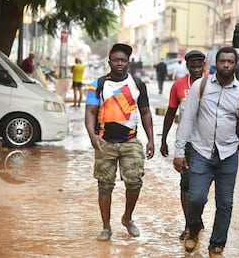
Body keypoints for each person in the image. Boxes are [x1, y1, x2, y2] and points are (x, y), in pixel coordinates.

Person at [173, 46, 239, 257]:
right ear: (216, 64)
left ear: (236, 65)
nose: (226, 65)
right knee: (195, 198)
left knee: (225, 203)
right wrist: (179, 151)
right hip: (200, 151)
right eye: (222, 61)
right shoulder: (200, 87)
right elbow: (187, 120)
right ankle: (194, 228)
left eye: (230, 61)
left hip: (228, 155)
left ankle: (217, 244)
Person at [84, 43, 154, 241]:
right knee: (104, 185)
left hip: (131, 141)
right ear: (109, 62)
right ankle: (106, 227)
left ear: (128, 62)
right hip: (104, 141)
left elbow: (146, 112)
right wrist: (92, 136)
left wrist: (150, 139)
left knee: (134, 182)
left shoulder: (138, 84)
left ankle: (127, 217)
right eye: (116, 60)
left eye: (123, 60)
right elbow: (89, 112)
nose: (120, 63)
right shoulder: (97, 85)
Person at [160, 50, 206, 241]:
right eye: (192, 66)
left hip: (208, 143)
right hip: (186, 143)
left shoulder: (213, 83)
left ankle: (197, 219)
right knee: (186, 185)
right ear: (187, 66)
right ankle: (189, 224)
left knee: (202, 188)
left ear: (204, 65)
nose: (196, 69)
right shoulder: (178, 86)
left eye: (199, 66)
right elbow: (170, 113)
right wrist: (163, 140)